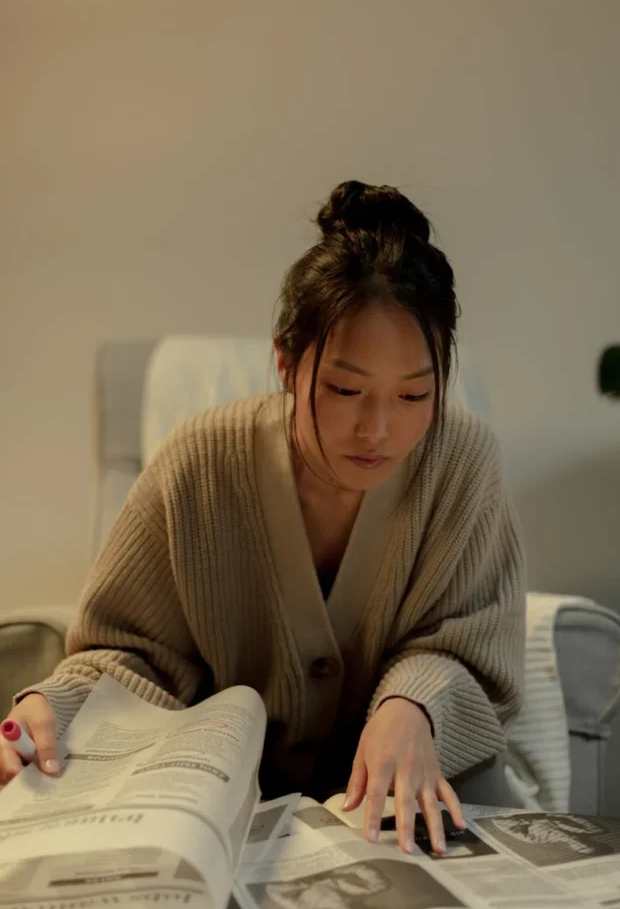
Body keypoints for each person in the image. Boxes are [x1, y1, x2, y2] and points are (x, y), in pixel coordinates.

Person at [0, 181, 526, 855]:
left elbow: (478, 649)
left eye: (414, 394)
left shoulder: (462, 459)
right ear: (285, 361)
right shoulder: (199, 462)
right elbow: (127, 652)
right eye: (344, 390)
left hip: (409, 814)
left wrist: (415, 705)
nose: (379, 429)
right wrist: (53, 708)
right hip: (228, 824)